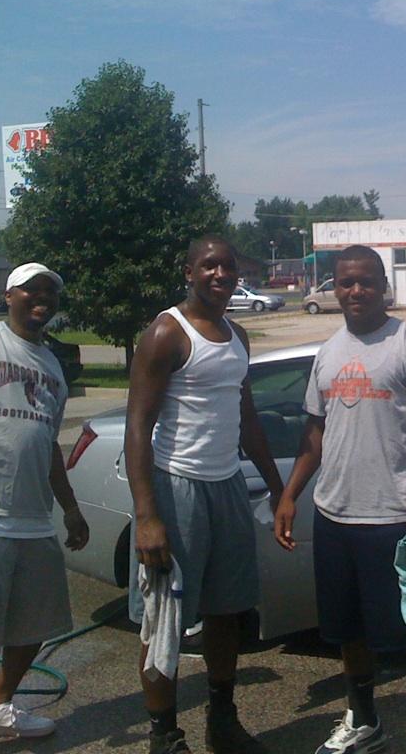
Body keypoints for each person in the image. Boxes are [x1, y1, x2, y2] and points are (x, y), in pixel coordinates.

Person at [274, 245, 406, 754]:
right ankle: (364, 718)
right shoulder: (329, 351)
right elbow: (315, 431)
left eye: (366, 281)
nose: (356, 290)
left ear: (384, 286)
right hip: (335, 515)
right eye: (345, 282)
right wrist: (290, 495)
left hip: (396, 517)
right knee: (347, 628)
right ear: (334, 288)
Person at [125, 235, 284, 754]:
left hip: (227, 485)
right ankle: (164, 735)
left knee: (226, 612)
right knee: (165, 619)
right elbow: (137, 426)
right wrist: (147, 516)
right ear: (189, 272)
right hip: (177, 487)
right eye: (209, 265)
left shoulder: (238, 335)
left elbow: (246, 418)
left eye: (228, 266)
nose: (220, 274)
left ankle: (222, 720)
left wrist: (278, 487)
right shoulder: (166, 333)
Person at [0, 263, 90, 754]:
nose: (42, 299)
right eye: (32, 290)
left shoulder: (52, 365)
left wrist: (70, 508)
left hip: (34, 521)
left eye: (50, 293)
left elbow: (50, 443)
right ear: (9, 295)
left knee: (37, 624)